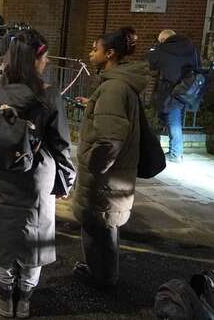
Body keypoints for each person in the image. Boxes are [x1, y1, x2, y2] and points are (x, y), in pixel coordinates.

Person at [0, 29, 75, 318]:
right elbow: (61, 142)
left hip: (3, 172)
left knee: (6, 230)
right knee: (35, 234)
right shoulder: (48, 95)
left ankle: (5, 295)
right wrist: (66, 179)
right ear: (36, 60)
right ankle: (25, 300)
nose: (46, 63)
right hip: (37, 175)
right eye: (44, 58)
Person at [72, 27, 148, 288]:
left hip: (105, 177)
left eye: (96, 49)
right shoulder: (118, 85)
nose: (91, 53)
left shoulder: (113, 89)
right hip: (115, 176)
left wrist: (93, 166)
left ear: (110, 53)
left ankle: (100, 278)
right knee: (105, 226)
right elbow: (112, 122)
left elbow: (109, 140)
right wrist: (91, 105)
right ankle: (105, 273)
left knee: (98, 227)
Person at [146, 30, 200, 164]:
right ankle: (174, 151)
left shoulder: (164, 48)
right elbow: (198, 65)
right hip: (183, 89)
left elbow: (151, 60)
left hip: (168, 90)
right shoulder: (190, 47)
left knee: (173, 122)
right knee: (173, 120)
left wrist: (156, 47)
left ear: (164, 39)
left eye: (160, 41)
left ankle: (176, 153)